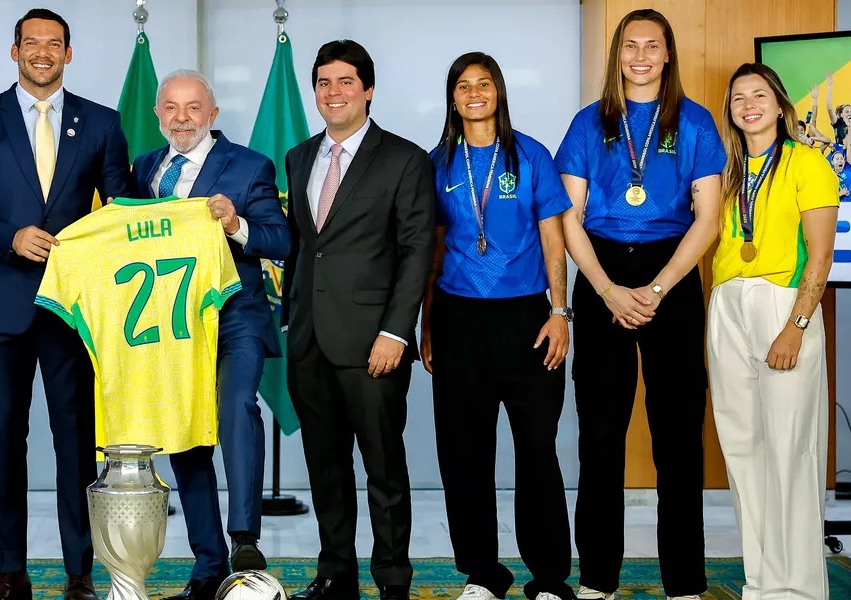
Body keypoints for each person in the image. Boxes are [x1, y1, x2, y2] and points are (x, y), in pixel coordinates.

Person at [0, 8, 132, 600]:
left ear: (68, 54)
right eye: (32, 42)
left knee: (76, 441)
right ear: (15, 51)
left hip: (74, 307)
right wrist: (9, 236)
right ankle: (9, 572)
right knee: (3, 439)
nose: (42, 52)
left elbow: (122, 207)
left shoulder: (102, 122)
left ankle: (80, 572)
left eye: (54, 43)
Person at [554, 9, 726, 600]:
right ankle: (597, 578)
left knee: (678, 436)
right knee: (600, 435)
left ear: (668, 53)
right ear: (617, 55)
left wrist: (657, 288)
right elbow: (569, 217)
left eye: (653, 46)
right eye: (631, 45)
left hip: (671, 274)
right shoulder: (589, 122)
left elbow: (708, 218)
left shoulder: (695, 121)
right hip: (602, 272)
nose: (641, 56)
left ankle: (685, 582)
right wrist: (606, 289)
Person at [130, 69, 291, 600]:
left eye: (193, 107)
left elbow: (280, 240)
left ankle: (244, 538)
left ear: (213, 114)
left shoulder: (249, 166)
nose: (182, 118)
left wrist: (235, 225)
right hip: (170, 326)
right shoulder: (144, 168)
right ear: (158, 114)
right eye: (171, 108)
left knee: (237, 405)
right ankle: (207, 566)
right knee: (185, 436)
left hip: (235, 317)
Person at [281, 39, 432, 600]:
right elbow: (305, 247)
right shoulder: (299, 157)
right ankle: (335, 575)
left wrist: (396, 331)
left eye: (346, 81)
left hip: (374, 342)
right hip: (309, 340)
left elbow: (416, 251)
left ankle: (393, 580)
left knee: (384, 470)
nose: (333, 92)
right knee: (325, 468)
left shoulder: (404, 159)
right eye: (324, 82)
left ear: (368, 90)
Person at [420, 52, 574, 600]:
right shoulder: (437, 163)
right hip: (458, 318)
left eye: (483, 84)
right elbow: (433, 250)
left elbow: (554, 238)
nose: (474, 93)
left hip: (528, 317)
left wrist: (560, 313)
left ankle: (550, 578)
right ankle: (483, 574)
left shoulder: (530, 155)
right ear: (452, 98)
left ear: (499, 91)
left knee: (538, 450)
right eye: (463, 86)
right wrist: (428, 325)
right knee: (463, 453)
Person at [709, 62, 838, 600]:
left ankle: (799, 588)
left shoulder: (809, 162)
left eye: (759, 95)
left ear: (781, 105)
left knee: (790, 448)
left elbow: (821, 255)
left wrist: (797, 325)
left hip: (783, 304)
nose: (749, 105)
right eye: (739, 97)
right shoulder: (728, 170)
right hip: (727, 304)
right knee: (742, 449)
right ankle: (762, 581)